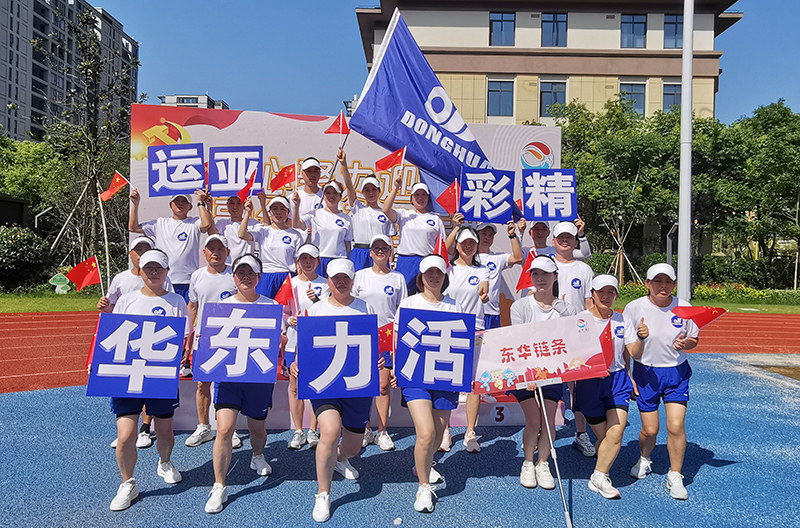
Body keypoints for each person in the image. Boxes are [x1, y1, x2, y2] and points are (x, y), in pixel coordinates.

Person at [289, 258, 376, 523]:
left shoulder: (365, 307)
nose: (341, 282)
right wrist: (296, 362)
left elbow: (373, 344)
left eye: (345, 278)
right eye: (336, 277)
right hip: (325, 383)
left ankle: (337, 459)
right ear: (327, 280)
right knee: (329, 430)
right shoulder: (316, 309)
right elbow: (305, 343)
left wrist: (378, 361)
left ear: (353, 280)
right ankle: (323, 493)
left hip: (357, 386)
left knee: (353, 447)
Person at [104, 249, 189, 511]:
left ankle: (164, 462)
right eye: (148, 268)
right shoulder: (126, 300)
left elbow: (184, 338)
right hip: (128, 376)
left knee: (164, 432)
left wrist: (183, 354)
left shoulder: (176, 301)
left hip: (160, 377)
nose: (153, 272)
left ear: (167, 272)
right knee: (125, 435)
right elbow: (113, 336)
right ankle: (127, 482)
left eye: (158, 268)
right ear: (140, 270)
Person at [205, 253, 283, 513]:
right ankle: (219, 485)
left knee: (257, 429)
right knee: (224, 429)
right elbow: (210, 339)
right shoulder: (222, 306)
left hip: (258, 378)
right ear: (234, 276)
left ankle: (257, 455)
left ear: (259, 277)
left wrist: (281, 341)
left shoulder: (271, 306)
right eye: (241, 273)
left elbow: (281, 340)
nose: (246, 277)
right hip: (229, 378)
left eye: (251, 273)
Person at [392, 254, 464, 513]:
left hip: (445, 377)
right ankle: (423, 487)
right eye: (429, 272)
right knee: (425, 431)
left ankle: (423, 462)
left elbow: (463, 341)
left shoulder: (454, 306)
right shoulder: (409, 303)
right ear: (421, 277)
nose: (434, 276)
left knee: (437, 434)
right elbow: (398, 339)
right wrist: (396, 368)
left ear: (445, 276)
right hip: (415, 375)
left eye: (439, 272)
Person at [624, 263, 699, 500]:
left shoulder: (684, 307)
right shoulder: (634, 308)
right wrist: (629, 373)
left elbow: (694, 338)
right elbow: (628, 349)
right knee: (650, 430)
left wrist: (685, 344)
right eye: (657, 281)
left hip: (676, 373)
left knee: (676, 426)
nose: (663, 286)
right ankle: (644, 458)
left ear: (674, 284)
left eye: (668, 281)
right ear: (647, 283)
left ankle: (675, 474)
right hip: (646, 374)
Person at [508, 255, 577, 491]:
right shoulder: (520, 306)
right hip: (524, 372)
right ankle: (528, 462)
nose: (540, 279)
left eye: (545, 274)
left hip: (553, 372)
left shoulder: (566, 309)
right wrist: (528, 374)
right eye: (535, 274)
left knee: (548, 419)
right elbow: (519, 342)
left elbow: (574, 338)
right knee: (534, 419)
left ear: (555, 276)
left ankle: (543, 463)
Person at [99, 236, 174, 450]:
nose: (153, 272)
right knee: (129, 400)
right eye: (138, 250)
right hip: (130, 351)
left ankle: (145, 429)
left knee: (155, 402)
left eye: (146, 250)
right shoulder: (122, 283)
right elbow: (114, 320)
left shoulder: (170, 293)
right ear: (132, 255)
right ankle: (127, 434)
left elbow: (177, 325)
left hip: (156, 352)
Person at [574, 275, 637, 499]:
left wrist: (641, 339)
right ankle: (600, 474)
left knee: (616, 432)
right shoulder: (580, 321)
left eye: (611, 292)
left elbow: (631, 352)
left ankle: (599, 476)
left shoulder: (622, 320)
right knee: (605, 438)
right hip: (590, 382)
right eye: (601, 291)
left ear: (616, 295)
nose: (605, 296)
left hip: (617, 379)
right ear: (592, 294)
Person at [183, 235, 240, 449]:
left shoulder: (235, 275)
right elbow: (193, 307)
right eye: (211, 249)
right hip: (203, 340)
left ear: (227, 252)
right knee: (202, 384)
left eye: (220, 249)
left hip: (230, 339)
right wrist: (188, 336)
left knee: (227, 384)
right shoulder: (197, 275)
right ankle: (204, 426)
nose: (216, 252)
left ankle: (229, 428)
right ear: (204, 253)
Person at [352, 234, 407, 450]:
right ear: (370, 252)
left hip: (387, 336)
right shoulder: (360, 276)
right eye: (376, 248)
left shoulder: (398, 278)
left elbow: (402, 310)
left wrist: (397, 341)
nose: (380, 251)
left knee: (383, 385)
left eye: (385, 247)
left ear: (391, 252)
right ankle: (366, 429)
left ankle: (382, 430)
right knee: (364, 384)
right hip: (362, 335)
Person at [551, 221, 597, 458]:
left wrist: (589, 332)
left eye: (569, 237)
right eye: (561, 237)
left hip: (576, 334)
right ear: (553, 241)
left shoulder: (584, 269)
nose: (565, 241)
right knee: (547, 384)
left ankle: (581, 433)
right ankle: (545, 433)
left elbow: (589, 304)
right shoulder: (545, 265)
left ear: (575, 241)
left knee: (576, 387)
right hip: (549, 334)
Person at [442, 225, 489, 453]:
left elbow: (484, 288)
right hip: (449, 329)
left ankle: (470, 432)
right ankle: (445, 429)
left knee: (473, 385)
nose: (468, 246)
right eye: (464, 243)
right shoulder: (447, 269)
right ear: (457, 245)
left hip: (475, 329)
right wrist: (456, 227)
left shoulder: (482, 270)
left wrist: (484, 294)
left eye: (472, 242)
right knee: (447, 381)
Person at [128, 189, 214, 301]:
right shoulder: (160, 223)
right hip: (164, 280)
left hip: (188, 280)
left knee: (188, 311)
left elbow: (206, 224)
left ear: (190, 207)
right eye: (177, 200)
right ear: (170, 205)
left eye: (184, 201)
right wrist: (135, 203)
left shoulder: (194, 223)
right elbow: (133, 227)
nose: (180, 203)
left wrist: (200, 202)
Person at [284, 244, 328, 450]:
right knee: (294, 386)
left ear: (318, 261)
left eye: (312, 258)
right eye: (303, 258)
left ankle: (313, 430)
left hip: (316, 342)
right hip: (294, 340)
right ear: (297, 262)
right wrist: (289, 320)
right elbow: (282, 311)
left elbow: (330, 312)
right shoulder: (290, 284)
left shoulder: (325, 284)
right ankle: (298, 431)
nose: (308, 262)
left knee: (315, 385)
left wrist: (317, 300)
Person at [382, 175, 446, 295]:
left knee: (428, 294)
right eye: (417, 195)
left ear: (428, 198)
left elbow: (443, 245)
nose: (420, 198)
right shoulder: (404, 215)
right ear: (411, 198)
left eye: (423, 195)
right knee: (404, 294)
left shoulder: (436, 218)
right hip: (406, 261)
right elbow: (385, 210)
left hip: (427, 260)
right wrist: (396, 188)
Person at [337, 148, 396, 271]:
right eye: (367, 190)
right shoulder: (358, 208)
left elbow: (390, 239)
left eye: (374, 189)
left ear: (379, 191)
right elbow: (349, 186)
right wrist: (344, 164)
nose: (371, 193)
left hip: (379, 253)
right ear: (363, 192)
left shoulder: (385, 213)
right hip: (359, 253)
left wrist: (390, 261)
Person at [239, 196, 302, 298]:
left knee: (287, 307)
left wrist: (300, 280)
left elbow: (298, 262)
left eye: (282, 209)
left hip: (287, 277)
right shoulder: (263, 231)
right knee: (264, 306)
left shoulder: (295, 235)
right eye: (275, 209)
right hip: (267, 276)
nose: (278, 212)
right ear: (270, 212)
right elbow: (242, 234)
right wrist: (247, 213)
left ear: (288, 212)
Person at [292, 180, 353, 278]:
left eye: (335, 193)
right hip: (319, 259)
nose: (331, 196)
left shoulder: (346, 218)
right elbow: (296, 224)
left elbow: (347, 244)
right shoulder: (315, 214)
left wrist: (347, 261)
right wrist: (296, 206)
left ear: (340, 196)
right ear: (323, 196)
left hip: (338, 260)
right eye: (328, 193)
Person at [475, 221, 525, 330]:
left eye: (490, 235)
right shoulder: (468, 257)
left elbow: (518, 258)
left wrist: (512, 235)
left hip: (492, 312)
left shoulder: (498, 258)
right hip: (472, 311)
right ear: (477, 235)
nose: (487, 237)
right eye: (484, 234)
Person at [204, 192, 260, 263]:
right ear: (227, 205)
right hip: (228, 265)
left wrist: (248, 212)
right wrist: (209, 209)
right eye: (232, 203)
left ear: (244, 205)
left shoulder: (253, 223)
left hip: (246, 265)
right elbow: (212, 233)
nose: (235, 207)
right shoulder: (222, 223)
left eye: (238, 203)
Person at [520, 216, 592, 260]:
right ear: (530, 232)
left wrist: (581, 234)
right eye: (536, 229)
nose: (540, 232)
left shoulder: (557, 250)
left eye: (543, 229)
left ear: (548, 232)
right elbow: (517, 257)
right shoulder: (526, 252)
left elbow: (585, 255)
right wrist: (520, 233)